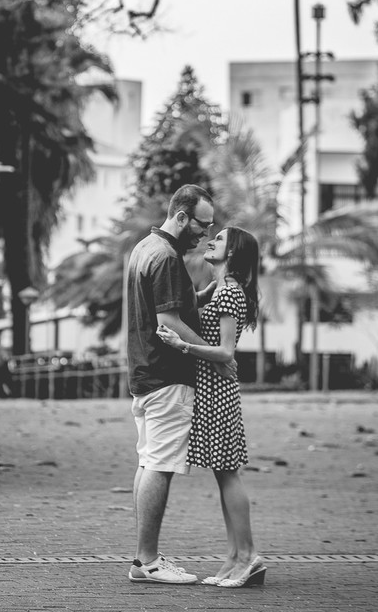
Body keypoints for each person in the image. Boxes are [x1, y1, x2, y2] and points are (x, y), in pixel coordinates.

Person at [124, 184, 231, 585]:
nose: (205, 234)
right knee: (160, 465)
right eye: (202, 225)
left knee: (148, 460)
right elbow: (168, 322)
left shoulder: (144, 248)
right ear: (182, 216)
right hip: (166, 376)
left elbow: (171, 304)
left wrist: (205, 293)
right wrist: (218, 356)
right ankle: (148, 561)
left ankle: (143, 558)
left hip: (143, 373)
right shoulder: (167, 257)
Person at [157, 226, 266, 588]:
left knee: (228, 473)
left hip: (218, 391)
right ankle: (234, 557)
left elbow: (225, 353)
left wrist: (181, 344)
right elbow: (187, 299)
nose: (211, 241)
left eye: (219, 239)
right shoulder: (218, 287)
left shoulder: (231, 292)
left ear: (232, 254)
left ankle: (248, 556)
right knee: (223, 474)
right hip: (210, 389)